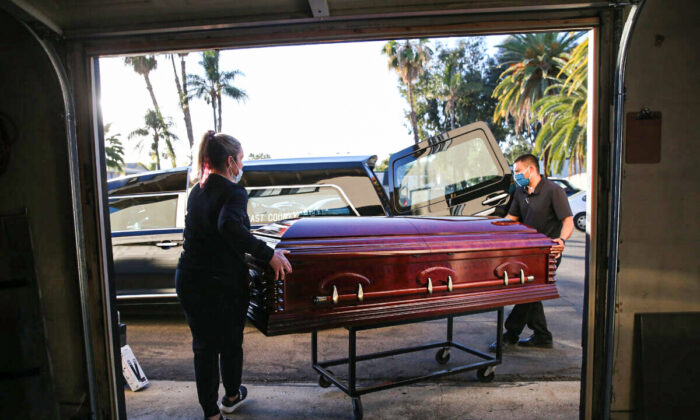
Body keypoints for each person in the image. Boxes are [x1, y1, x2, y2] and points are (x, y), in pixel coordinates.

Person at [175, 131, 292, 420]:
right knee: (229, 342)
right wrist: (269, 254)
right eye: (241, 159)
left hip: (189, 279)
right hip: (221, 284)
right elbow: (229, 227)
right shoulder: (233, 192)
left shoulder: (196, 191)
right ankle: (231, 396)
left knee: (203, 347)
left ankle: (211, 413)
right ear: (230, 162)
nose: (242, 165)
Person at [489, 154, 573, 352]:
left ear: (531, 170)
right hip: (526, 252)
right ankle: (542, 336)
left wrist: (561, 240)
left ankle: (511, 334)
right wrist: (490, 225)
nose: (515, 175)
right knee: (532, 290)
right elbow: (512, 218)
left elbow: (568, 221)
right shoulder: (520, 191)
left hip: (548, 252)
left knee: (528, 290)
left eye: (518, 171)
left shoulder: (554, 191)